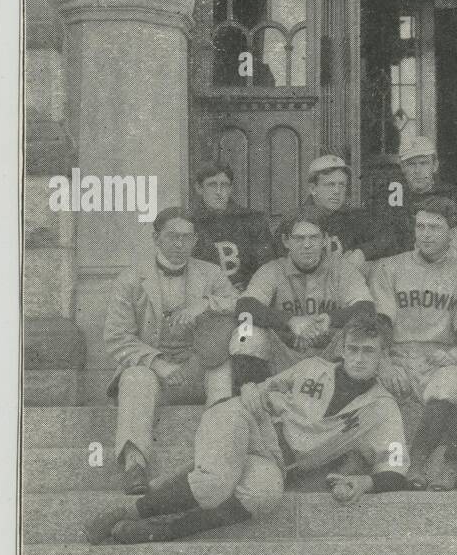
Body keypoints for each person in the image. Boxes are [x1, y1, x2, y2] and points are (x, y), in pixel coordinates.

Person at [84, 317, 410, 545]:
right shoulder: (315, 368)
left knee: (265, 494)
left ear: (384, 355)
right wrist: (253, 388)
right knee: (213, 485)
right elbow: (259, 389)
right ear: (343, 349)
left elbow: (395, 469)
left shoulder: (382, 408)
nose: (358, 358)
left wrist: (363, 482)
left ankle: (161, 530)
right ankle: (127, 512)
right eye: (353, 349)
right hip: (246, 421)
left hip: (278, 461)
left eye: (368, 351)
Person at [102, 207, 236, 495]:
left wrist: (206, 304)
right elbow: (116, 338)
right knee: (136, 377)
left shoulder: (210, 274)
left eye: (187, 238)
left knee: (222, 370)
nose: (180, 245)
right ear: (156, 238)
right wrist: (157, 363)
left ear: (196, 240)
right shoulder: (131, 279)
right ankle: (134, 466)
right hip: (156, 376)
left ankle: (221, 457)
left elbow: (239, 303)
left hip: (196, 368)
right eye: (172, 237)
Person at [370, 197, 457, 491]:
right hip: (398, 354)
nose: (426, 234)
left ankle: (418, 460)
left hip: (438, 356)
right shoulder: (390, 267)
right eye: (421, 227)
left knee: (453, 383)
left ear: (452, 234)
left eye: (435, 227)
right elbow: (380, 324)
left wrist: (455, 354)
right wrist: (386, 363)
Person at [228, 210, 376, 388]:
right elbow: (245, 306)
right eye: (299, 238)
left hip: (329, 357)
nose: (307, 245)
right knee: (245, 333)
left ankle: (342, 404)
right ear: (286, 241)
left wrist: (330, 319)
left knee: (362, 334)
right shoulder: (273, 270)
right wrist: (291, 321)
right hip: (284, 356)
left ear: (324, 240)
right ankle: (254, 398)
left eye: (314, 238)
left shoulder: (342, 269)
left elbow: (366, 308)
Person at [364, 135, 457, 259]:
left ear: (435, 166)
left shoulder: (452, 194)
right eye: (411, 164)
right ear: (402, 167)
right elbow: (380, 238)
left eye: (423, 163)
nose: (417, 171)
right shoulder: (390, 195)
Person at [189, 161, 278, 293]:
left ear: (231, 189)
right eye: (212, 185)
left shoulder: (252, 220)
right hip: (203, 298)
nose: (219, 192)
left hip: (246, 296)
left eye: (224, 185)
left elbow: (267, 268)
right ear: (199, 188)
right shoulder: (189, 223)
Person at [301, 153, 370, 274]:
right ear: (313, 189)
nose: (337, 191)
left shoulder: (353, 217)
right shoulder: (295, 221)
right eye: (330, 185)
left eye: (342, 185)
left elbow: (387, 238)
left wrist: (362, 253)